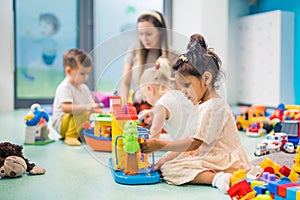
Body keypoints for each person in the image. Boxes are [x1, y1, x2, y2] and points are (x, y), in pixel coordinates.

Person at [140, 34, 251, 193]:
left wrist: (161, 145)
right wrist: (162, 160)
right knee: (168, 166)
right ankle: (213, 175)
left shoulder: (215, 106)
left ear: (206, 78)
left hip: (223, 158)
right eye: (180, 87)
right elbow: (187, 142)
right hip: (206, 154)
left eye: (186, 85)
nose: (183, 91)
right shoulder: (200, 105)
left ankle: (217, 178)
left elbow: (193, 143)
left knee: (172, 171)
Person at [119, 10, 178, 111]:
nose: (144, 38)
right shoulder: (133, 51)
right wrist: (122, 107)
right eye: (141, 34)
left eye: (149, 34)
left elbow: (179, 90)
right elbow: (125, 83)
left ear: (160, 31)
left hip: (164, 110)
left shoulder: (173, 55)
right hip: (138, 108)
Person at [52, 49, 102, 146]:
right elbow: (66, 108)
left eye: (88, 73)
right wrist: (87, 107)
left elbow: (91, 106)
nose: (86, 77)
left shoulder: (84, 88)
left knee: (88, 115)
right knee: (84, 112)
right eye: (82, 73)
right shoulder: (65, 87)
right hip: (62, 123)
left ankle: (80, 134)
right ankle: (70, 136)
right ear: (69, 71)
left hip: (77, 122)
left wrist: (99, 111)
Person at [139, 57, 194, 140]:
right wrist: (153, 113)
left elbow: (154, 139)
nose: (146, 100)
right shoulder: (179, 94)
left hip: (189, 147)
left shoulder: (160, 105)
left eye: (145, 96)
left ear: (150, 89)